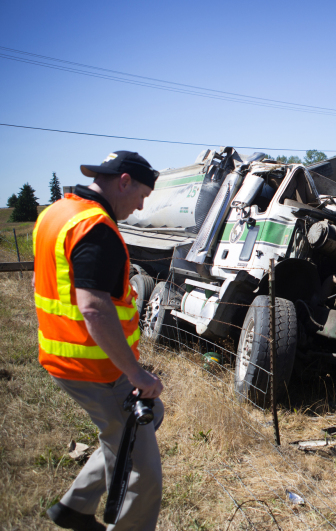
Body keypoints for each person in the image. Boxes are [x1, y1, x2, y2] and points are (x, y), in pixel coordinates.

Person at [34, 151, 163, 531]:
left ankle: (76, 506)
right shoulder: (96, 228)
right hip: (96, 369)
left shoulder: (55, 214)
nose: (140, 207)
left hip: (64, 357)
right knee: (145, 475)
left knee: (146, 419)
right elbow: (93, 308)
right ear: (124, 181)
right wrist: (136, 373)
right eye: (141, 195)